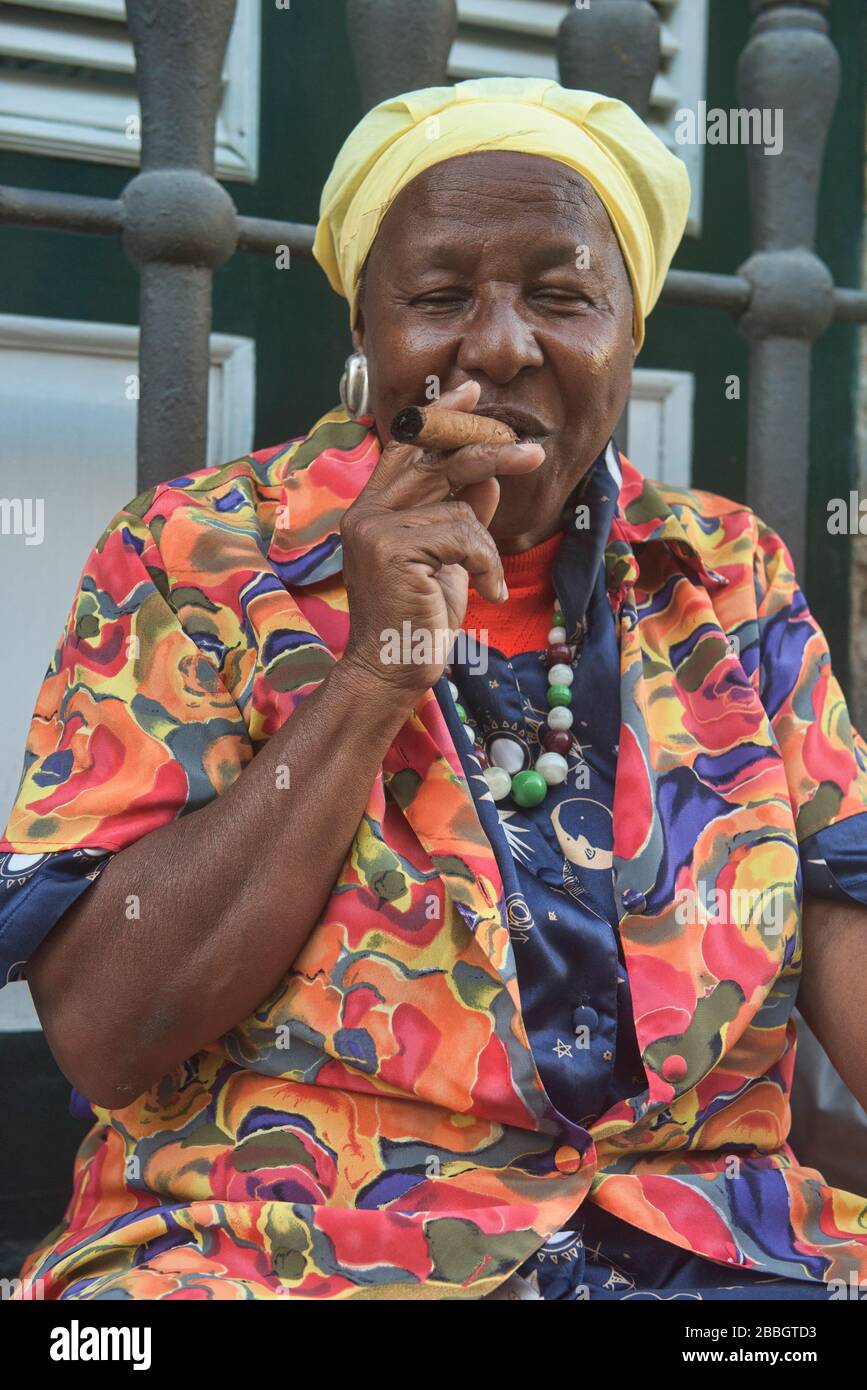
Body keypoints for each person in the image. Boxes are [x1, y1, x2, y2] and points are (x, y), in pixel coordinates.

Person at [2, 76, 867, 1301]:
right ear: (367, 332)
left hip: (707, 1249)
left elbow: (845, 919)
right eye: (442, 296)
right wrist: (372, 675)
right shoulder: (195, 553)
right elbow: (100, 1026)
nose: (502, 344)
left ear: (630, 335)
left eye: (564, 297)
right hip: (290, 1251)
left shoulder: (729, 578)